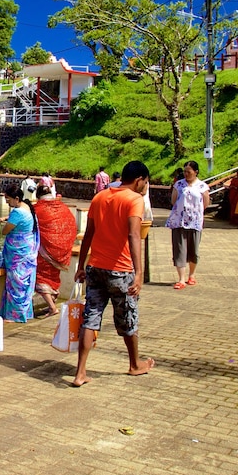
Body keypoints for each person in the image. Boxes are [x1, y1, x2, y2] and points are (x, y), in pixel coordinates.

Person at [72, 160, 155, 387]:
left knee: (91, 318)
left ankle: (80, 373)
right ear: (138, 180)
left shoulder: (100, 197)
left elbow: (88, 234)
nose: (145, 187)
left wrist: (80, 266)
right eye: (145, 182)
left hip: (95, 267)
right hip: (121, 269)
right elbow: (134, 235)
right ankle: (135, 364)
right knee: (127, 318)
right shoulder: (134, 199)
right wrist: (139, 273)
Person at [165, 160, 211, 290]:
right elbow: (174, 201)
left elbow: (205, 203)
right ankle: (181, 279)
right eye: (185, 171)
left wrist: (195, 213)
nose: (186, 174)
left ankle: (192, 275)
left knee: (194, 250)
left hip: (195, 222)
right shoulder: (178, 185)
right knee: (179, 250)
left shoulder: (202, 186)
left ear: (195, 172)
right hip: (179, 221)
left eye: (188, 171)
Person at [33, 185, 78, 316]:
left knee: (40, 276)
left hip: (45, 250)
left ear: (38, 196)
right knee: (53, 276)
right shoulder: (63, 208)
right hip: (60, 250)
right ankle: (52, 301)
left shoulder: (38, 209)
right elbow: (71, 226)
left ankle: (52, 307)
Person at [0, 186, 38, 323]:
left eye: (8, 199)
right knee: (23, 283)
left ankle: (14, 315)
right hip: (27, 249)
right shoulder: (27, 207)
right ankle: (23, 312)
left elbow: (5, 231)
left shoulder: (17, 212)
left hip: (17, 252)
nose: (6, 202)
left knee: (15, 283)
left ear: (16, 199)